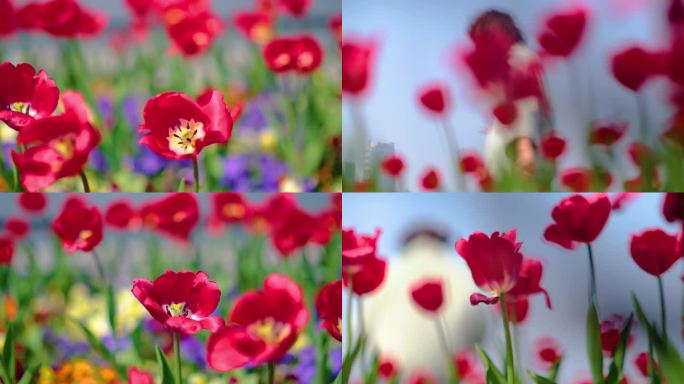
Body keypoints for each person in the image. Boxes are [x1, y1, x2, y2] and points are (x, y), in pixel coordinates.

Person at [466, 10, 551, 179]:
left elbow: (529, 102)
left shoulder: (518, 55)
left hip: (518, 154)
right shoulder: (513, 58)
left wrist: (525, 146)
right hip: (510, 150)